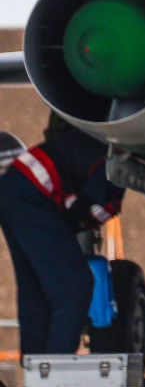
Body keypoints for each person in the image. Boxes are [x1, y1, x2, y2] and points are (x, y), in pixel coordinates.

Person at [0, 114, 123, 356]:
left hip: (15, 193)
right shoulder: (115, 161)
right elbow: (81, 207)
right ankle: (53, 370)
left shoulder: (103, 155)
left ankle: (36, 372)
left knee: (35, 289)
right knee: (75, 285)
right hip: (30, 195)